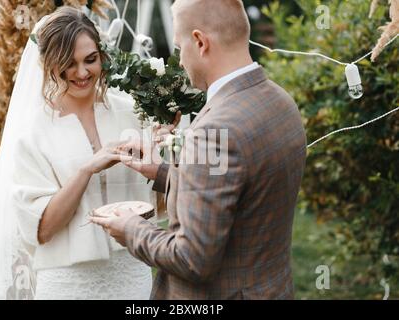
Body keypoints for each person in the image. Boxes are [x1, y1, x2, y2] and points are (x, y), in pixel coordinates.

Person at [92, 0, 307, 299]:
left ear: (200, 42)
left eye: (180, 48)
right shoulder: (280, 101)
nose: (179, 62)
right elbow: (240, 193)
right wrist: (165, 173)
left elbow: (192, 259)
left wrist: (130, 229)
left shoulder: (213, 132)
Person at [0, 6, 154, 300]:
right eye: (69, 63)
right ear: (49, 64)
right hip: (69, 285)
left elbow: (163, 203)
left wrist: (163, 147)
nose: (82, 73)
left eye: (90, 60)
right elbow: (42, 231)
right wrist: (86, 170)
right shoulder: (33, 133)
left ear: (101, 56)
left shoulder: (131, 112)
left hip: (133, 274)